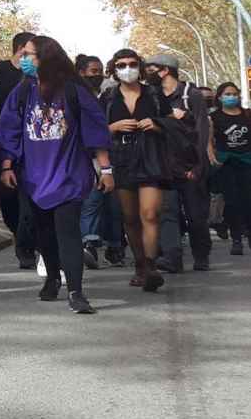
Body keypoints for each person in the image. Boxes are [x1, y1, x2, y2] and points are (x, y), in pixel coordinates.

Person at [0, 36, 112, 315]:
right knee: (43, 233)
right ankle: (51, 277)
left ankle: (76, 291)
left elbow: (95, 131)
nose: (23, 59)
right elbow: (8, 129)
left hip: (69, 175)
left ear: (46, 57)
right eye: (22, 54)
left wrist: (106, 169)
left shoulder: (74, 90)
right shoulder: (22, 92)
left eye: (29, 55)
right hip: (33, 177)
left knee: (68, 232)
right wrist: (7, 166)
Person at [102, 48, 171, 292]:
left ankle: (151, 267)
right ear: (114, 69)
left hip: (151, 158)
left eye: (132, 64)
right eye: (121, 65)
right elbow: (95, 132)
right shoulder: (108, 98)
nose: (127, 68)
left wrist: (157, 124)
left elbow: (174, 126)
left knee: (150, 213)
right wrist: (114, 127)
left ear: (139, 67)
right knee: (130, 217)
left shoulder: (154, 95)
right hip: (121, 160)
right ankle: (140, 265)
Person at [149, 51, 212, 273]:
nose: (148, 73)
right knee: (167, 212)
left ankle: (201, 255)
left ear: (165, 70)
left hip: (190, 166)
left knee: (196, 215)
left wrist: (198, 165)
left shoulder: (190, 95)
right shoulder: (153, 96)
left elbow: (202, 130)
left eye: (152, 68)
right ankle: (172, 258)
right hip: (165, 166)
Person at [0, 32, 39, 268]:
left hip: (35, 143)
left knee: (30, 196)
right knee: (7, 196)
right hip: (2, 141)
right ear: (17, 49)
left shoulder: (39, 72)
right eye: (27, 51)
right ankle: (19, 235)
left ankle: (26, 246)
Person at [74, 54, 123, 269]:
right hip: (86, 158)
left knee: (112, 205)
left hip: (108, 157)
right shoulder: (75, 95)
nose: (98, 75)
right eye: (93, 71)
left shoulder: (107, 96)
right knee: (91, 203)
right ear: (81, 72)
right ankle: (89, 244)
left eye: (100, 71)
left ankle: (114, 246)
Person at [210, 82, 251, 256]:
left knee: (248, 201)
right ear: (219, 97)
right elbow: (209, 140)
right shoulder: (214, 117)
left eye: (234, 94)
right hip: (226, 164)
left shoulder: (247, 115)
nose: (231, 97)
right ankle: (236, 239)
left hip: (247, 162)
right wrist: (211, 155)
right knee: (232, 202)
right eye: (227, 94)